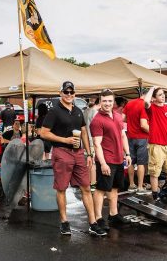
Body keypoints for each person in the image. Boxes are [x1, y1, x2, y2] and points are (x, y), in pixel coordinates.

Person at [41, 81, 105, 236]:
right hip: (61, 152)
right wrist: (65, 140)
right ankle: (64, 222)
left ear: (75, 94)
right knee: (62, 188)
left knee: (86, 188)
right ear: (61, 93)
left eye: (72, 92)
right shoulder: (54, 111)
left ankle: (93, 223)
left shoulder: (78, 110)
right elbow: (43, 133)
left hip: (78, 153)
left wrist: (89, 153)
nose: (69, 95)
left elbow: (83, 132)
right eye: (66, 92)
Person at [91, 89, 132, 228]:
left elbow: (123, 135)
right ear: (100, 101)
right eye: (104, 101)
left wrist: (127, 154)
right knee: (101, 189)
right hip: (106, 159)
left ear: (113, 101)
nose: (107, 103)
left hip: (119, 158)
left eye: (110, 101)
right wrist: (102, 163)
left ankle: (113, 215)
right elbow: (97, 144)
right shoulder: (97, 120)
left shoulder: (118, 116)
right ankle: (98, 218)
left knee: (114, 188)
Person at [122, 88, 151, 194]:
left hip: (130, 137)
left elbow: (123, 118)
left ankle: (131, 185)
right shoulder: (144, 105)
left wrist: (131, 121)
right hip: (142, 138)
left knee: (131, 162)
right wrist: (155, 131)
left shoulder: (130, 103)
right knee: (141, 163)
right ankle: (140, 187)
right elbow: (144, 125)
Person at [83, 98, 100, 191]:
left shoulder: (85, 111)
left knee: (88, 162)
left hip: (85, 140)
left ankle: (88, 182)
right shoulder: (95, 113)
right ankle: (93, 184)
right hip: (92, 140)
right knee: (93, 163)